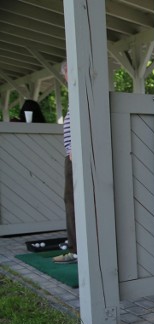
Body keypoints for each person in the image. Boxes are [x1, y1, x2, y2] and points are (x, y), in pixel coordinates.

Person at [53, 61, 77, 264]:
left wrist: (73, 150)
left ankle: (76, 250)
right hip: (73, 155)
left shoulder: (80, 91)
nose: (65, 78)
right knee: (70, 201)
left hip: (76, 157)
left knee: (72, 202)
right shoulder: (75, 93)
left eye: (66, 73)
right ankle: (76, 248)